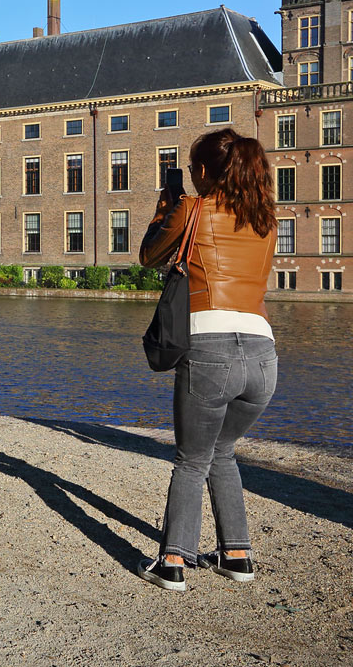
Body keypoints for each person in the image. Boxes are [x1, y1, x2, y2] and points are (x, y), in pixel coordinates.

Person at [135, 128, 277, 592]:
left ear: (204, 172)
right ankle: (237, 555)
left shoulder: (193, 209)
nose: (192, 175)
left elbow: (149, 255)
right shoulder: (266, 220)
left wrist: (166, 204)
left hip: (210, 351)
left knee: (191, 460)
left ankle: (173, 561)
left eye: (195, 168)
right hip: (262, 357)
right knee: (222, 451)